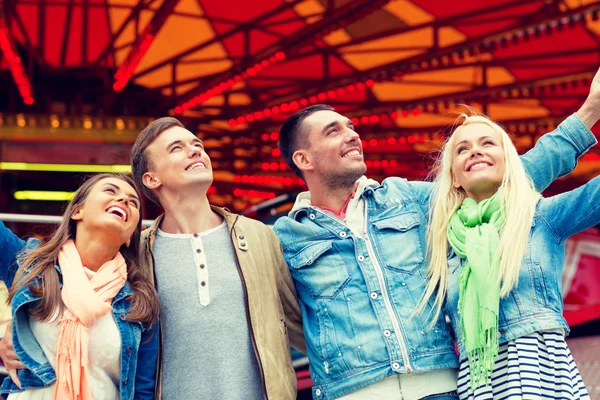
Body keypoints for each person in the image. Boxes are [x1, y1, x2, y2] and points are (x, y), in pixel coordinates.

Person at [273, 68, 600, 400]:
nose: (352, 135)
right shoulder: (283, 238)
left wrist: (590, 110)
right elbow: (275, 316)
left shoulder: (408, 199)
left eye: (351, 127)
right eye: (334, 131)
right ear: (303, 158)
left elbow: (506, 179)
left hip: (439, 387)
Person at [129, 117, 305, 399]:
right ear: (152, 179)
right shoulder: (135, 252)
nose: (196, 150)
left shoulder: (259, 235)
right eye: (177, 148)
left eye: (197, 144)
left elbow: (301, 324)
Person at [422, 113, 595, 399]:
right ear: (453, 178)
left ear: (509, 162)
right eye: (462, 149)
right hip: (480, 382)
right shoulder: (443, 242)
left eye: (487, 143)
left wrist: (592, 108)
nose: (475, 150)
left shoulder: (540, 217)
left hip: (543, 374)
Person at [0, 173, 160, 400]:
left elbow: (143, 391)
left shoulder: (140, 300)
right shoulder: (29, 266)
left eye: (133, 202)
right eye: (111, 191)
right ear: (77, 211)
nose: (124, 200)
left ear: (129, 236)